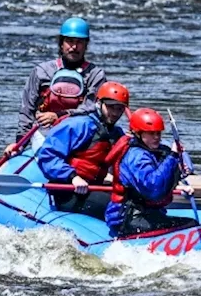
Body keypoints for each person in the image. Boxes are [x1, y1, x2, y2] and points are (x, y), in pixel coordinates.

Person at [35, 82, 130, 215]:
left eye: (120, 108)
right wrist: (72, 177)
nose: (115, 113)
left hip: (94, 186)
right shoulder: (78, 125)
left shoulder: (117, 133)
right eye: (110, 107)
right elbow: (47, 157)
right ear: (98, 103)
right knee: (122, 208)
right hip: (68, 190)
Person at [14, 16, 108, 145]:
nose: (74, 47)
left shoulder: (96, 75)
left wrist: (59, 116)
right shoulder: (42, 71)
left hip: (81, 134)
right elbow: (27, 110)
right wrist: (19, 143)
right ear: (61, 44)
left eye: (79, 42)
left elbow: (92, 108)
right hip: (45, 134)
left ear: (86, 45)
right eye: (69, 41)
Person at [105, 108, 197, 237]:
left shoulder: (154, 150)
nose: (156, 137)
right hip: (129, 218)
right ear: (138, 133)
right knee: (191, 225)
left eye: (158, 133)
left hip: (149, 213)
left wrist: (179, 174)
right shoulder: (136, 156)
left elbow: (176, 172)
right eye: (151, 133)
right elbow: (154, 188)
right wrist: (173, 156)